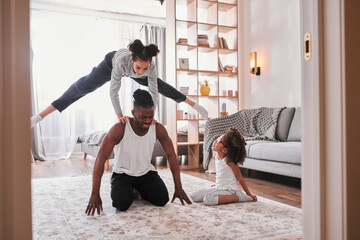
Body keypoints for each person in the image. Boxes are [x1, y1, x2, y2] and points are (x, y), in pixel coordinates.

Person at [31, 39, 208, 128]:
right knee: (83, 86)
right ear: (132, 60)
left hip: (128, 67)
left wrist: (151, 115)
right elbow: (113, 91)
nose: (140, 72)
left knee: (162, 86)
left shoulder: (149, 68)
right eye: (138, 67)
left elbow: (154, 92)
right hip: (110, 63)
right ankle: (40, 116)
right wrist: (119, 115)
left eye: (144, 69)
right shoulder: (121, 62)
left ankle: (194, 104)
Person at [85, 89, 192, 215]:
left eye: (150, 116)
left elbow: (171, 155)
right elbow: (101, 158)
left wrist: (178, 187)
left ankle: (138, 190)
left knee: (162, 199)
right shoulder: (119, 128)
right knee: (122, 205)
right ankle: (130, 190)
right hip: (122, 174)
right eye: (143, 117)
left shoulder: (158, 128)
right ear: (133, 113)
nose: (147, 121)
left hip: (146, 173)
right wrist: (94, 194)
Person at [190, 128, 257, 206]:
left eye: (219, 141)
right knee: (194, 196)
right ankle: (221, 191)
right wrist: (218, 184)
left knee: (208, 199)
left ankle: (238, 197)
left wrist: (249, 194)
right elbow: (221, 173)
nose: (216, 141)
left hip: (230, 190)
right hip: (220, 187)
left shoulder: (229, 161)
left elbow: (240, 178)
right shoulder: (216, 156)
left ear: (224, 150)